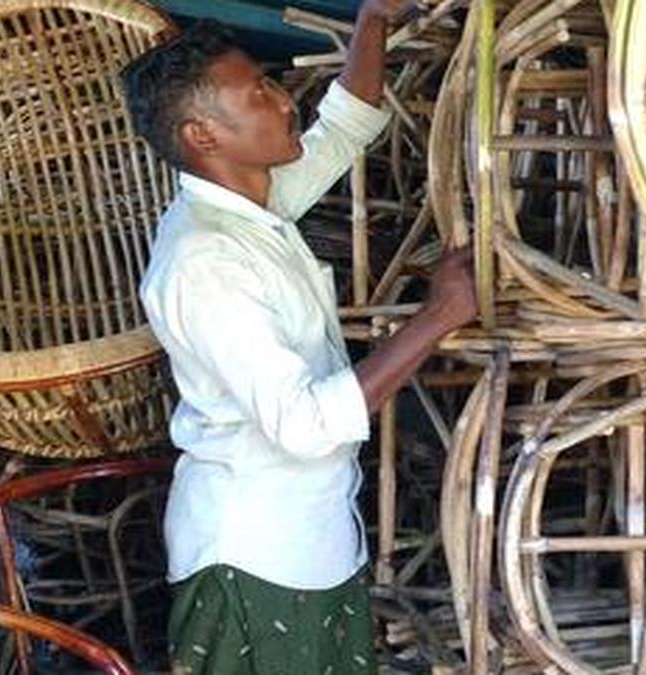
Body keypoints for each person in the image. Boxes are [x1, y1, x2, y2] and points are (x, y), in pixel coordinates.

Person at [122, 2, 476, 672]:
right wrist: (436, 317)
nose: (285, 102)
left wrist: (373, 22)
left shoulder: (256, 206)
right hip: (253, 562)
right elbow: (304, 425)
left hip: (312, 543)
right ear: (203, 134)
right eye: (258, 93)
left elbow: (343, 128)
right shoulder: (206, 262)